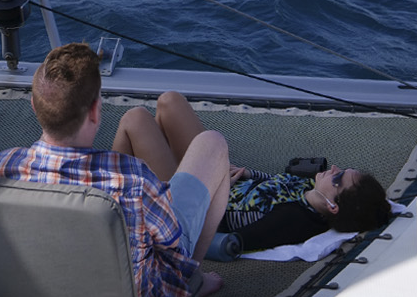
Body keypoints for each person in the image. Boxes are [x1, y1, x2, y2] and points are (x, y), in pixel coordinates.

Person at [0, 43, 229, 297]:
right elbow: (172, 243)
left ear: (35, 106)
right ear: (96, 111)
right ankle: (193, 282)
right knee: (212, 144)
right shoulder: (133, 179)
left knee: (135, 119)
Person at [113, 91, 392, 255]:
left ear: (333, 206)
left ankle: (109, 211)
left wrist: (218, 189)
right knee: (169, 101)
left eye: (338, 178)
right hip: (219, 180)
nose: (334, 169)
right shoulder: (312, 190)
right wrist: (245, 175)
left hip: (189, 207)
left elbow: (230, 245)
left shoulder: (293, 219)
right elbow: (274, 183)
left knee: (134, 119)